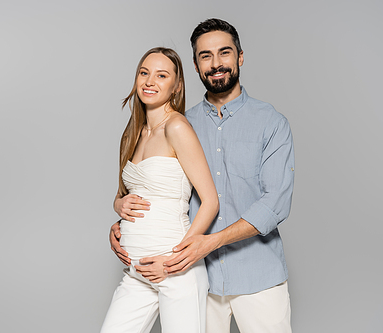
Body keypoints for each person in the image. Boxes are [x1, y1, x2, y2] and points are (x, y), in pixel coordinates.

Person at [110, 19, 295, 333]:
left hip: (257, 276)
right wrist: (124, 220)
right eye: (205, 56)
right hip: (200, 276)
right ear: (195, 66)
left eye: (224, 53)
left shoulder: (271, 122)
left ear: (240, 57)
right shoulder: (183, 122)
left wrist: (207, 243)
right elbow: (162, 190)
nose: (216, 63)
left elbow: (275, 203)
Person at [101, 47, 219, 333]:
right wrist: (117, 207)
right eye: (144, 73)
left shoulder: (177, 127)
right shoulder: (133, 132)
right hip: (137, 272)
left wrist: (173, 261)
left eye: (161, 75)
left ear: (176, 86)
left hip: (175, 273)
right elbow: (126, 192)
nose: (150, 82)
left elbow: (210, 202)